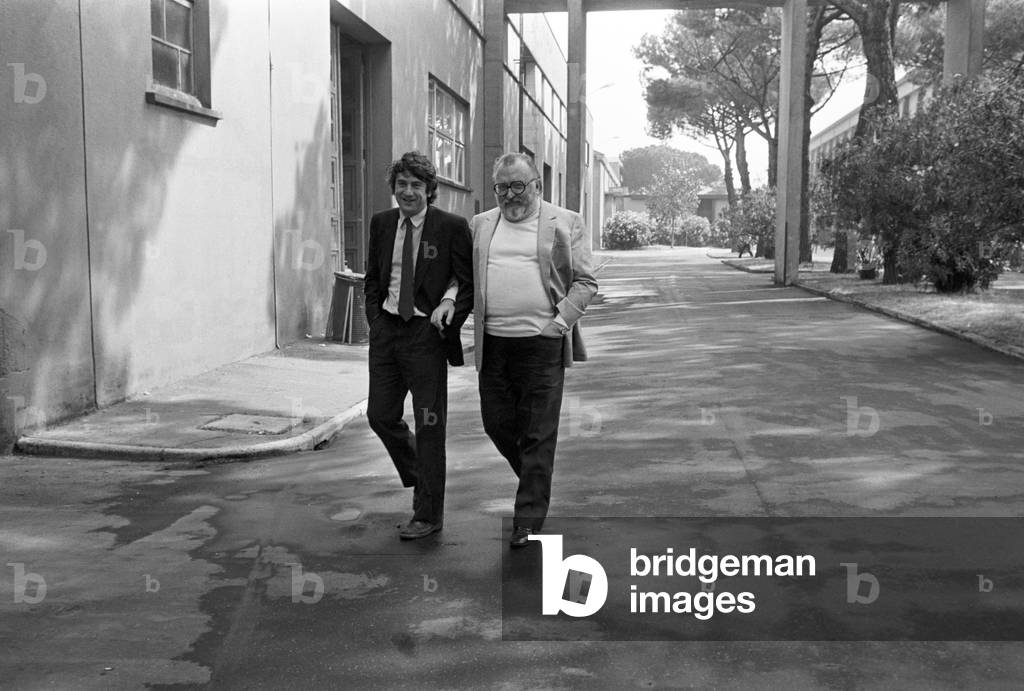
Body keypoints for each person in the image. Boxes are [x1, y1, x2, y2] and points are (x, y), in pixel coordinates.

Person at [467, 152, 598, 548]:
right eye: (503, 187)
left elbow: (585, 281)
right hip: (494, 345)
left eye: (519, 185)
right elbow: (465, 276)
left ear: (537, 186)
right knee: (497, 424)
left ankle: (527, 518)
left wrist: (558, 324)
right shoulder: (480, 224)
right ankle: (535, 482)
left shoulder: (566, 222)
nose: (511, 195)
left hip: (542, 344)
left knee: (540, 433)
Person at [364, 151, 473, 540]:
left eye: (416, 185)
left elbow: (466, 280)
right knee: (379, 415)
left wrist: (448, 303)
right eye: (402, 184)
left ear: (430, 190)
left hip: (426, 335)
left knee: (430, 426)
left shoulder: (451, 227)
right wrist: (375, 321)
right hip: (388, 332)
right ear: (394, 188)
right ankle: (420, 474)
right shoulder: (381, 224)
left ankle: (428, 513)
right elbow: (373, 279)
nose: (408, 192)